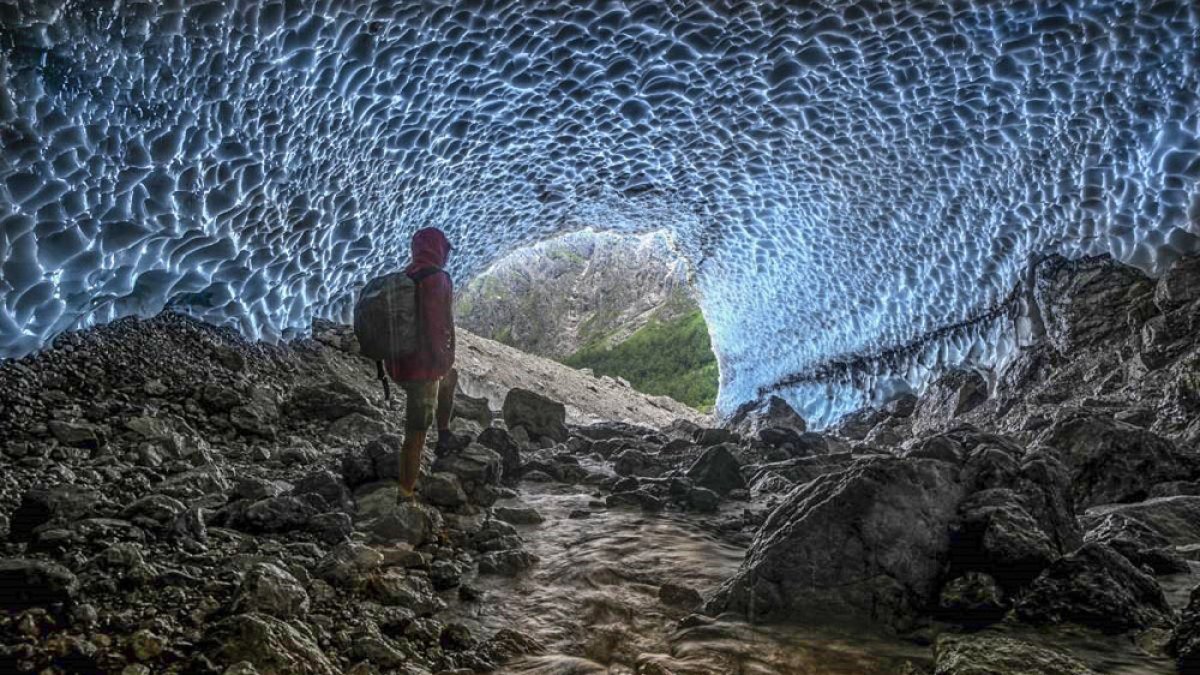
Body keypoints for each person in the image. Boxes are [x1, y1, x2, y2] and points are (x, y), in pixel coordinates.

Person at [385, 227, 465, 502]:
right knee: (416, 433)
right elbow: (437, 325)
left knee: (451, 378)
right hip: (423, 368)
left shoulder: (403, 277)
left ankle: (444, 436)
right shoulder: (437, 278)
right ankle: (405, 495)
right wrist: (441, 361)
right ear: (438, 249)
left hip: (398, 365)